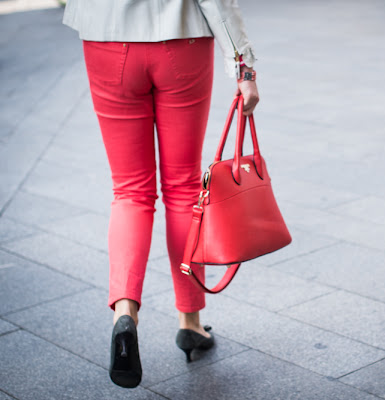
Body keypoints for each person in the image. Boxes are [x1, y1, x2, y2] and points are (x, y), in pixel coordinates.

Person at [62, 0, 259, 388]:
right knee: (184, 189)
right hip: (180, 38)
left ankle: (125, 313)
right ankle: (190, 321)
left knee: (130, 190)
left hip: (105, 36)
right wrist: (244, 66)